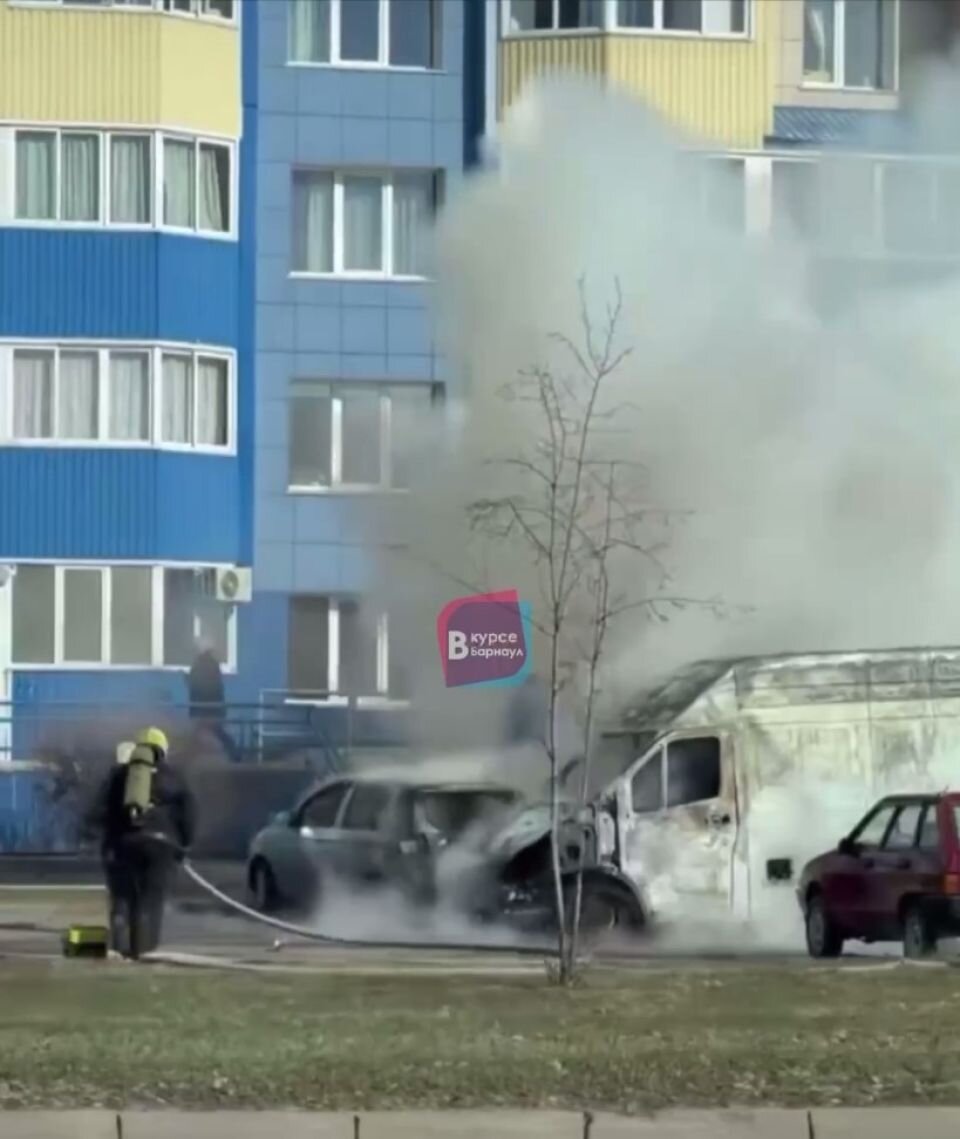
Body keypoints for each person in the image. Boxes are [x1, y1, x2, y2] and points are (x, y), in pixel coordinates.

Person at [86, 727, 196, 960]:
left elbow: (97, 811)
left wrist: (101, 835)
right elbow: (188, 815)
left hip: (122, 845)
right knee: (151, 901)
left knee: (122, 898)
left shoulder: (118, 775)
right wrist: (185, 845)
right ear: (163, 751)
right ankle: (145, 952)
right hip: (161, 847)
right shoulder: (174, 776)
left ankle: (120, 950)